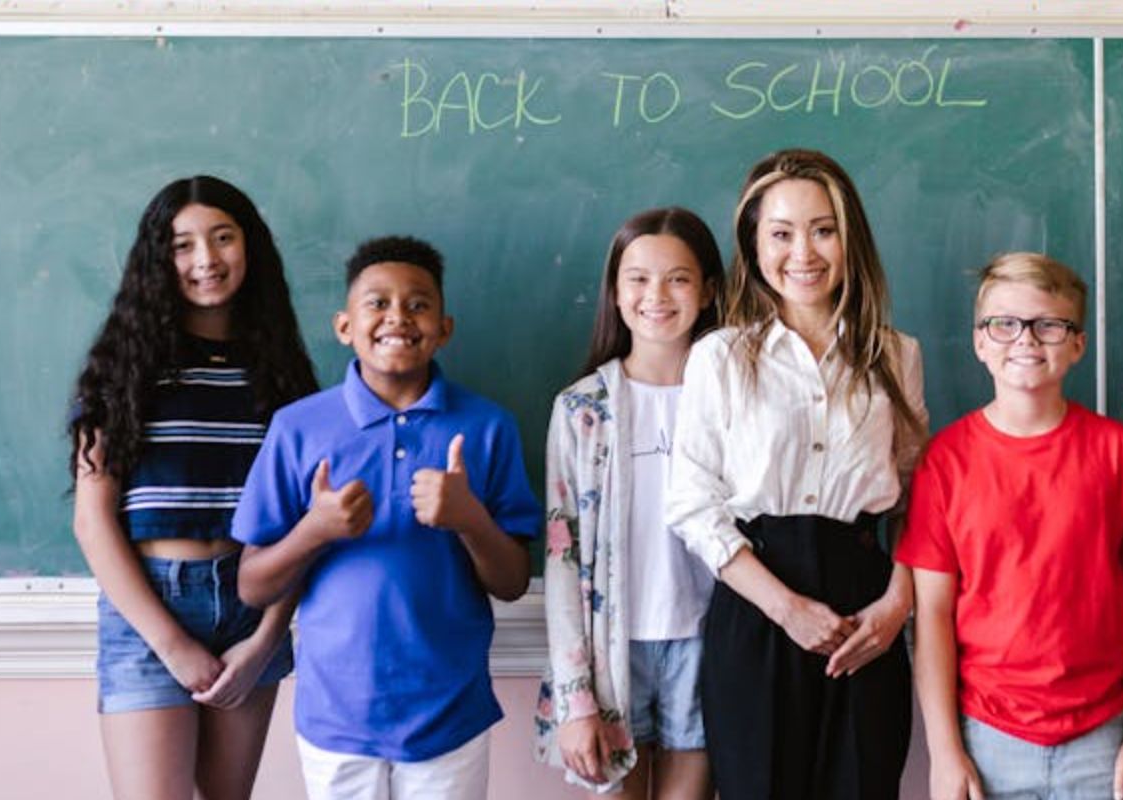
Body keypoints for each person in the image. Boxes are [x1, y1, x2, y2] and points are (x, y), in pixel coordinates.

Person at [232, 235, 540, 800]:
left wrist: (469, 518)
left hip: (449, 714)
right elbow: (253, 585)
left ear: (444, 328)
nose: (398, 316)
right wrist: (314, 530)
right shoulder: (299, 428)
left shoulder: (487, 427)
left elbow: (513, 581)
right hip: (337, 716)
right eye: (377, 302)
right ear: (344, 326)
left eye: (418, 303)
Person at [665, 149, 928, 800]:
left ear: (849, 240)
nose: (803, 252)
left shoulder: (896, 356)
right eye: (780, 233)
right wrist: (787, 610)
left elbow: (920, 495)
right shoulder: (720, 357)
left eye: (823, 229)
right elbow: (693, 506)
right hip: (759, 609)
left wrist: (897, 605)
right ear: (754, 248)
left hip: (867, 611)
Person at [68, 175, 316, 800]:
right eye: (182, 245)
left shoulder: (282, 375)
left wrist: (266, 640)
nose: (206, 260)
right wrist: (171, 643)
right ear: (158, 259)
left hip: (250, 605)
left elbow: (304, 527)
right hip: (149, 609)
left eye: (223, 238)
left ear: (249, 247)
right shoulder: (121, 371)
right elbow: (93, 523)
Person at [900, 252, 1123, 800]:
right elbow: (931, 614)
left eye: (1048, 324)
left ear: (1077, 343)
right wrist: (945, 752)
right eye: (1004, 324)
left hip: (1104, 735)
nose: (1025, 340)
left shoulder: (1118, 452)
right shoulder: (945, 461)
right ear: (979, 342)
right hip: (988, 737)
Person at [536, 207, 725, 798]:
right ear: (615, 292)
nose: (657, 295)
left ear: (709, 290)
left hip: (708, 639)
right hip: (612, 647)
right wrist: (575, 698)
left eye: (679, 278)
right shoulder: (582, 409)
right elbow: (561, 560)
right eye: (638, 278)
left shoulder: (733, 399)